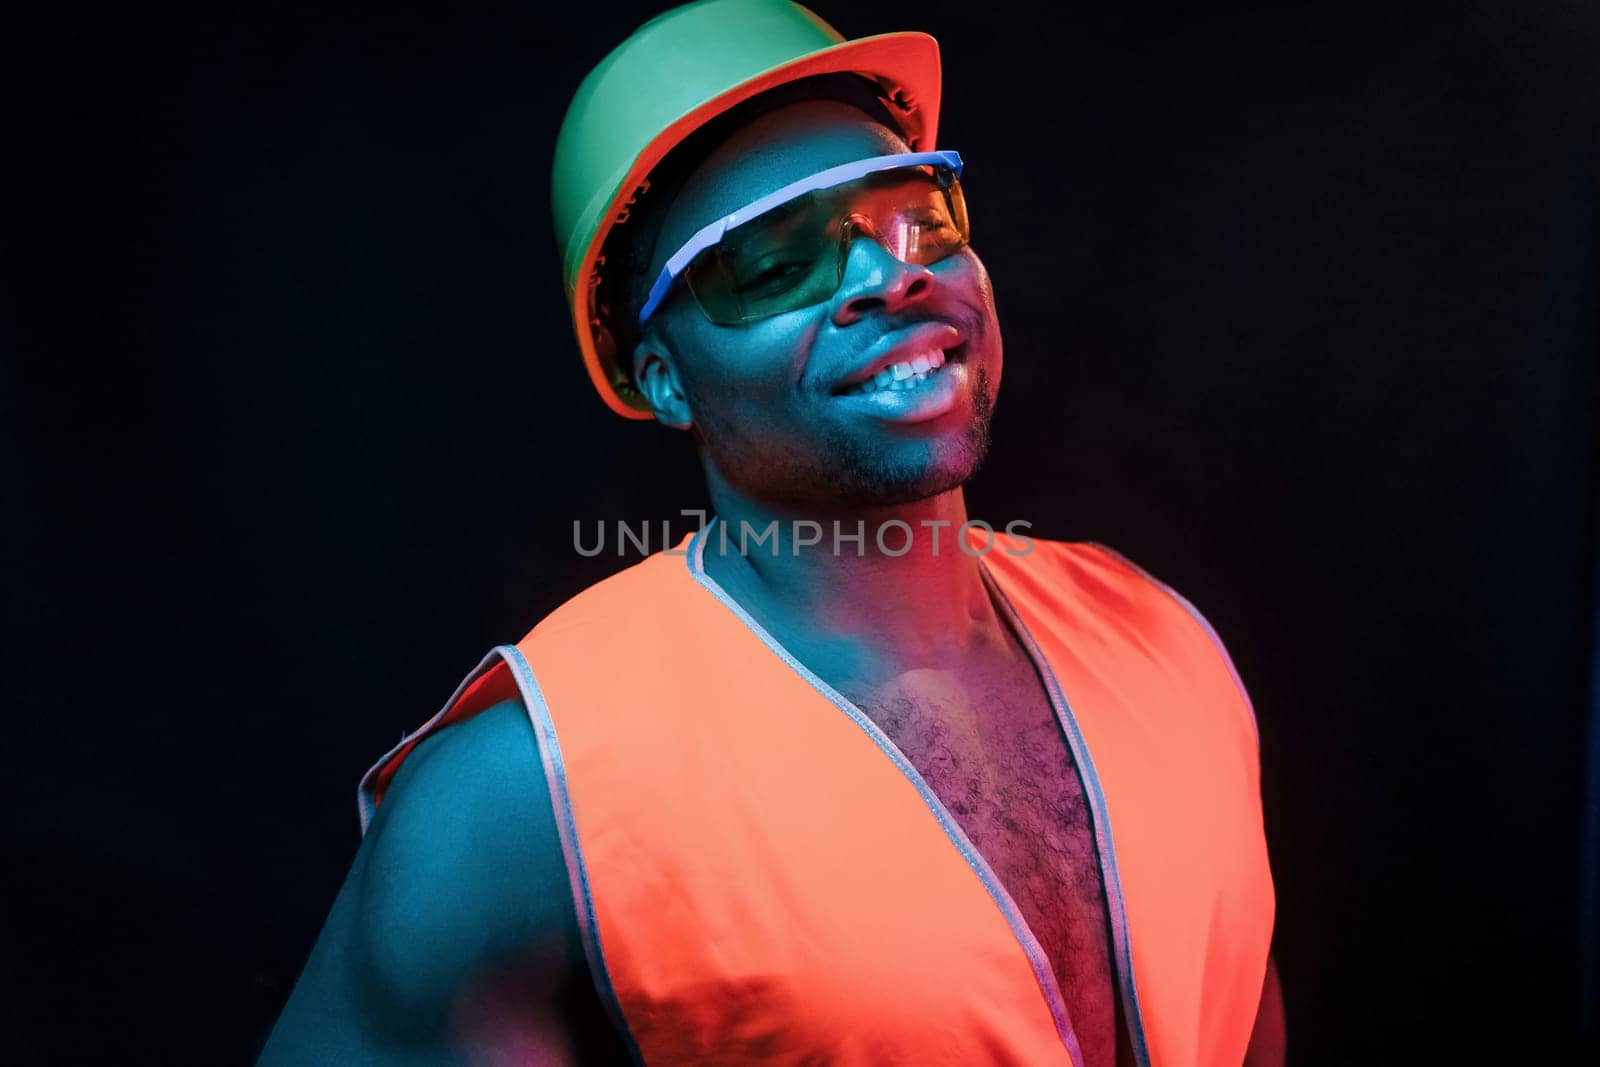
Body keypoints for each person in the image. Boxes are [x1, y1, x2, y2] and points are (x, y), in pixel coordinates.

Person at [260, 1, 1283, 1063]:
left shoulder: (1167, 646)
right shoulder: (521, 790)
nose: (888, 277)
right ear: (660, 375)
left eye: (911, 214)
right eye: (771, 261)